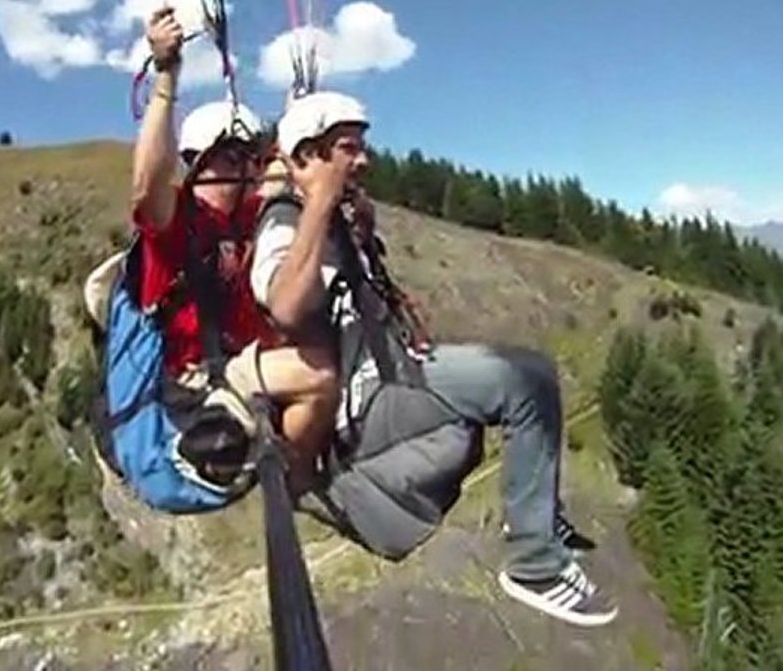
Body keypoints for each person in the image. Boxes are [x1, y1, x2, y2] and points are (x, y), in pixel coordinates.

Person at [248, 89, 618, 627]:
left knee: (529, 375)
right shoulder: (285, 224)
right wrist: (321, 203)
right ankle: (535, 564)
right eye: (348, 148)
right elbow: (284, 303)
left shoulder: (322, 214)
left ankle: (540, 524)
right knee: (518, 381)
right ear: (308, 157)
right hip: (366, 402)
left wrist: (350, 222)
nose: (365, 160)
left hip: (393, 369)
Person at [127, 6, 339, 491]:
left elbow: (281, 175)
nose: (244, 170)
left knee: (331, 347)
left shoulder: (248, 218)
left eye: (248, 159)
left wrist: (298, 114)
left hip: (243, 367)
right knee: (321, 374)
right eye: (231, 157)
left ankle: (301, 460)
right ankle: (298, 482)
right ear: (199, 163)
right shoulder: (176, 221)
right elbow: (147, 184)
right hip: (194, 382)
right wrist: (166, 76)